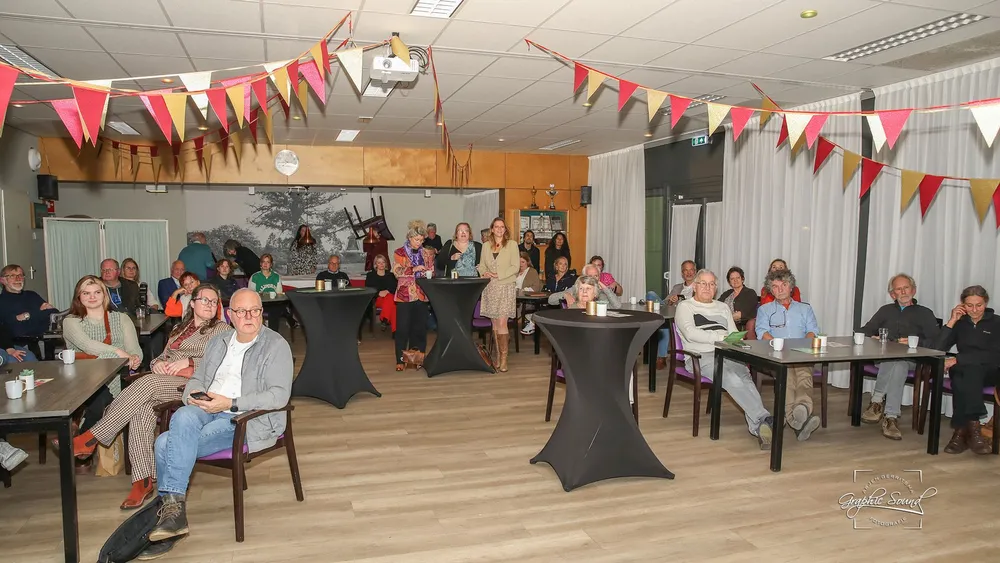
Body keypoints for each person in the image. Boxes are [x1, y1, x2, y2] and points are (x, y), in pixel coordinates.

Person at [146, 289, 293, 557]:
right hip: (208, 406)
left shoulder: (275, 345)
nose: (249, 316)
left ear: (262, 312)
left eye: (255, 311)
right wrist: (193, 394)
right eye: (241, 311)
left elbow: (278, 395)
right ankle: (173, 515)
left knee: (165, 443)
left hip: (244, 417)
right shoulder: (219, 341)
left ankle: (170, 514)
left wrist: (230, 403)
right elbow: (198, 377)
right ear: (229, 315)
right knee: (183, 415)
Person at [69, 284, 231, 510]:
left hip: (193, 383)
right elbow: (161, 357)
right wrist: (158, 364)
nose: (210, 305)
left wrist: (189, 362)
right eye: (205, 300)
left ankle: (91, 437)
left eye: (214, 302)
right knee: (140, 408)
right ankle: (142, 480)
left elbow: (224, 361)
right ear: (192, 303)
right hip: (164, 381)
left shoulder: (222, 329)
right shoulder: (179, 328)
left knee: (146, 383)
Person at [676, 270, 773, 449]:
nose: (707, 287)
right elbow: (691, 334)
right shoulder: (685, 307)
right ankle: (763, 418)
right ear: (695, 286)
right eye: (703, 283)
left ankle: (759, 426)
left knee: (745, 375)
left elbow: (733, 333)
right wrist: (721, 337)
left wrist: (739, 342)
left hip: (727, 352)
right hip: (700, 356)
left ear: (716, 288)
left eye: (712, 284)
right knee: (730, 377)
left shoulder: (722, 307)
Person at [858, 274, 940, 440]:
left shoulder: (925, 313)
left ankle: (877, 402)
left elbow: (937, 341)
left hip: (913, 359)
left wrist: (915, 342)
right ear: (892, 294)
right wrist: (871, 337)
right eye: (898, 289)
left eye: (906, 288)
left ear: (913, 290)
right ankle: (891, 417)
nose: (903, 292)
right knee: (895, 361)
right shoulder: (885, 310)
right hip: (884, 357)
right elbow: (866, 329)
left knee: (899, 362)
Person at [62, 276, 142, 433]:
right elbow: (87, 345)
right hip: (84, 377)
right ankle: (90, 437)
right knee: (102, 395)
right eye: (86, 293)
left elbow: (134, 349)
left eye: (97, 292)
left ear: (104, 295)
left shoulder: (121, 318)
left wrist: (134, 358)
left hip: (120, 374)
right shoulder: (70, 321)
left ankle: (84, 438)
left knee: (102, 396)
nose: (92, 297)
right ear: (79, 297)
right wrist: (118, 352)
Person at [755, 269, 821, 441]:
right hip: (777, 354)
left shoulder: (805, 309)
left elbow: (813, 331)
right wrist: (780, 346)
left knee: (804, 374)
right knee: (788, 376)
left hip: (801, 354)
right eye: (775, 286)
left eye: (783, 285)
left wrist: (802, 346)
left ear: (791, 287)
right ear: (771, 290)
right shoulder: (765, 310)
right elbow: (762, 332)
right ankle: (799, 418)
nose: (780, 289)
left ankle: (800, 410)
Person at [936, 285, 1000, 455]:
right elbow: (937, 349)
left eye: (979, 305)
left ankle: (960, 433)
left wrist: (959, 359)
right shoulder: (960, 322)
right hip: (963, 370)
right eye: (969, 305)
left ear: (986, 303)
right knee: (966, 374)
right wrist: (951, 322)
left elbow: (994, 355)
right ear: (962, 305)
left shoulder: (997, 323)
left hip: (990, 371)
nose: (974, 310)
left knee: (964, 377)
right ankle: (974, 430)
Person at [478, 218, 520, 373]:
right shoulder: (485, 246)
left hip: (505, 286)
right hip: (490, 287)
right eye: (496, 227)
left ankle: (504, 359)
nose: (499, 229)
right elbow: (481, 265)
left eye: (502, 227)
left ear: (505, 229)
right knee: (494, 323)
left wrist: (498, 274)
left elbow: (515, 267)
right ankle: (497, 358)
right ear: (492, 229)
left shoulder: (512, 244)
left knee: (502, 322)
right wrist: (484, 272)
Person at [392, 221, 434, 371]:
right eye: (417, 239)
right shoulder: (399, 252)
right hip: (404, 296)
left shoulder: (427, 253)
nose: (419, 242)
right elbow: (397, 272)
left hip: (421, 294)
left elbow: (431, 270)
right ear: (409, 238)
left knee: (419, 330)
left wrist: (429, 272)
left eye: (422, 240)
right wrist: (414, 269)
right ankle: (400, 360)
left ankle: (415, 360)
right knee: (402, 329)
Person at [0, 263, 57, 340]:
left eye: (20, 275)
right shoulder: (2, 301)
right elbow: (14, 330)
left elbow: (54, 313)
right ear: (2, 280)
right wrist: (39, 313)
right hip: (17, 344)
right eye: (12, 276)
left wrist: (25, 316)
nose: (18, 279)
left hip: (44, 340)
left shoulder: (32, 295)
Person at [548, 265, 621, 308]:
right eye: (590, 276)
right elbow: (551, 300)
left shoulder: (603, 292)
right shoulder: (577, 289)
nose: (593, 279)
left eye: (596, 276)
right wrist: (565, 294)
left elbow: (617, 306)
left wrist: (605, 288)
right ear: (583, 277)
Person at [718, 267, 758, 332]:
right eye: (732, 279)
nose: (735, 280)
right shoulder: (726, 293)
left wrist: (724, 319)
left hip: (740, 327)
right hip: (722, 325)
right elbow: (717, 306)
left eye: (738, 278)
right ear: (729, 282)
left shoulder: (750, 293)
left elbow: (740, 314)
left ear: (742, 279)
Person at [365, 254, 398, 332]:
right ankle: (394, 330)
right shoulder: (370, 275)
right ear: (375, 264)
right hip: (377, 299)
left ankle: (385, 319)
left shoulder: (391, 275)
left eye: (383, 262)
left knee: (391, 302)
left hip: (389, 298)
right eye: (379, 262)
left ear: (386, 264)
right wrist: (378, 293)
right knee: (392, 303)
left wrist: (387, 291)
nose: (381, 264)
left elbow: (396, 288)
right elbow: (368, 289)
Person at [516, 251, 543, 336]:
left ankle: (531, 322)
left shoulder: (532, 271)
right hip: (514, 298)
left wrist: (522, 291)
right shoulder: (514, 272)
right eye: (519, 262)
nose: (520, 264)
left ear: (527, 262)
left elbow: (536, 288)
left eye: (523, 262)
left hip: (527, 300)